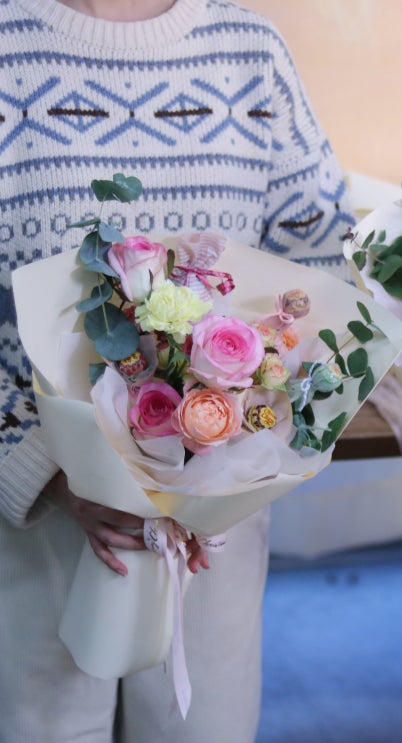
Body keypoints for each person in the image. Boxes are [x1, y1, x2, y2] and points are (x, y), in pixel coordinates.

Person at [0, 1, 354, 741]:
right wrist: (44, 468)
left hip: (217, 515)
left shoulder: (249, 50)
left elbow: (323, 262)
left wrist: (243, 433)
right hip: (33, 519)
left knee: (200, 727)